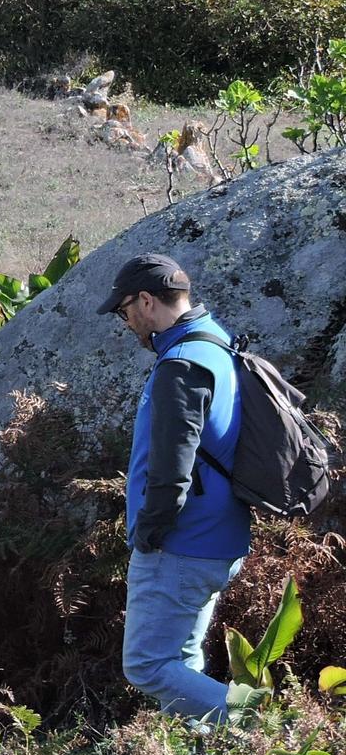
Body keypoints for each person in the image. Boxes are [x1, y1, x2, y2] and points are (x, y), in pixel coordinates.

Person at [101, 253, 255, 723]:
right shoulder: (217, 343)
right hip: (219, 536)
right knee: (183, 664)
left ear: (146, 301)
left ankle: (255, 729)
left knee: (147, 666)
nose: (125, 322)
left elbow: (173, 466)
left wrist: (150, 532)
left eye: (124, 311)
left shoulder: (181, 365)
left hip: (182, 544)